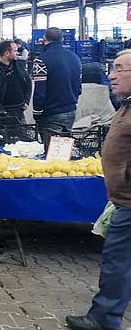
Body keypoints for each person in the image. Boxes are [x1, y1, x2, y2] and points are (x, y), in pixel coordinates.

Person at [65, 50, 131, 330]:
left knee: (117, 262)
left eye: (119, 69)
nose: (111, 75)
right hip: (122, 199)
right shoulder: (126, 104)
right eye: (111, 68)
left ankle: (103, 318)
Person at [33, 27, 82, 150]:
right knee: (63, 151)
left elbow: (40, 92)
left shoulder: (41, 60)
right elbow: (79, 88)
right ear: (63, 39)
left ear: (44, 39)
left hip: (51, 114)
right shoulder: (75, 58)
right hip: (71, 111)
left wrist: (37, 113)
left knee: (51, 153)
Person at [0, 40, 32, 123]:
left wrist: (27, 101)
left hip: (19, 112)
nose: (17, 53)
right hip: (0, 115)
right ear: (7, 53)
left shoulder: (18, 65)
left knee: (22, 135)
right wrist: (0, 110)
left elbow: (28, 82)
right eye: (15, 51)